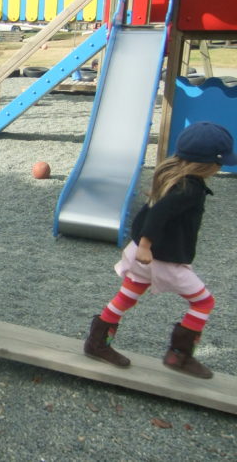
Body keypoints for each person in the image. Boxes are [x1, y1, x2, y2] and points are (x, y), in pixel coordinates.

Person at [83, 122, 237, 378]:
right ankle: (179, 355)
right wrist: (145, 245)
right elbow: (157, 216)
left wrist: (142, 246)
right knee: (204, 301)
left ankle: (96, 343)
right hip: (161, 260)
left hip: (146, 256)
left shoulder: (172, 178)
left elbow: (150, 212)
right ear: (209, 164)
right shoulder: (188, 189)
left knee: (128, 295)